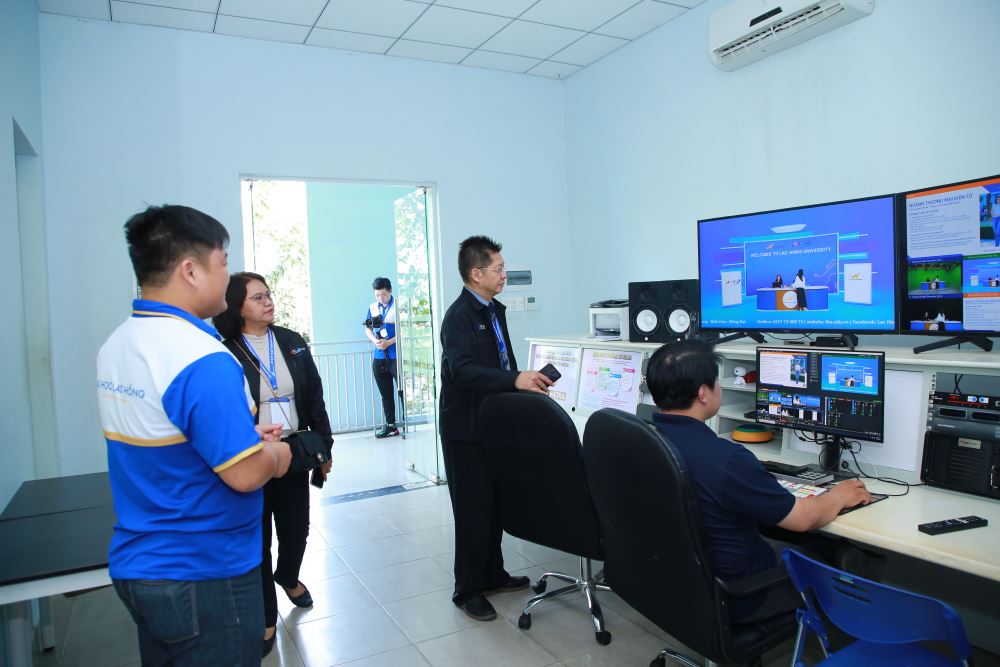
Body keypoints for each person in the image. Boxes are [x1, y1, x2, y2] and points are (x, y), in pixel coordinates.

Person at [97, 205, 292, 665]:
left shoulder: (120, 343)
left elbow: (166, 432)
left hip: (140, 564)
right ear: (190, 270)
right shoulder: (200, 356)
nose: (227, 276)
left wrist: (240, 434)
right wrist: (277, 455)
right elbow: (245, 474)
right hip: (205, 573)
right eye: (222, 262)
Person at [645, 339, 871, 622]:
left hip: (679, 580)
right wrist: (839, 494)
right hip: (742, 593)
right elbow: (803, 519)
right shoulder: (726, 459)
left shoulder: (645, 440)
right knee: (842, 554)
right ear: (703, 393)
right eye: (717, 382)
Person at [213, 272, 334, 658]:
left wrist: (325, 447)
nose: (268, 302)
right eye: (257, 297)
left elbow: (314, 397)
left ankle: (288, 575)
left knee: (297, 529)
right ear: (238, 307)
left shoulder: (291, 341)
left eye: (268, 294)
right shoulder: (225, 351)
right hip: (251, 456)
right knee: (259, 540)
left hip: (293, 451)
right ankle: (267, 617)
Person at [439, 235, 554, 621]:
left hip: (495, 423)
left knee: (493, 503)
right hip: (465, 428)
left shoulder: (492, 310)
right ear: (476, 274)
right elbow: (462, 371)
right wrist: (514, 380)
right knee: (472, 509)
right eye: (498, 269)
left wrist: (522, 384)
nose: (504, 275)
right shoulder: (459, 317)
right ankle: (468, 589)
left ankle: (493, 574)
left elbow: (502, 363)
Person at [365, 277, 400, 438]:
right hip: (379, 357)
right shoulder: (372, 308)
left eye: (383, 295)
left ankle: (407, 423)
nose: (380, 298)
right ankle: (391, 425)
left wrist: (389, 342)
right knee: (386, 394)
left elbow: (405, 330)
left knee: (402, 392)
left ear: (390, 291)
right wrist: (376, 342)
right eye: (377, 295)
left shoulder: (398, 306)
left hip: (396, 356)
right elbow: (368, 329)